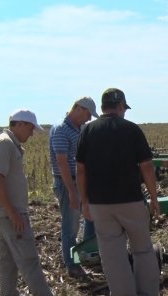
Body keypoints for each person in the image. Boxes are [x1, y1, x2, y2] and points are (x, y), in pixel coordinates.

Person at [76, 88, 160, 296]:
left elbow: (81, 170)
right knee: (142, 249)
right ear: (121, 106)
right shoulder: (132, 130)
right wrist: (153, 198)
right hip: (131, 201)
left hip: (100, 205)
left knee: (113, 255)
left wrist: (84, 202)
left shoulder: (87, 131)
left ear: (103, 107)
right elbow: (147, 167)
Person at [0, 109, 69, 296]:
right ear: (20, 124)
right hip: (9, 213)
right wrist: (12, 211)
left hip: (1, 211)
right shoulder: (5, 143)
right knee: (28, 257)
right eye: (31, 128)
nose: (32, 133)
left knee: (7, 256)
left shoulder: (4, 142)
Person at [49, 96, 98, 278]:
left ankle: (88, 252)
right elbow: (62, 163)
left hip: (81, 180)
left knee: (90, 216)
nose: (89, 118)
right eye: (87, 114)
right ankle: (72, 265)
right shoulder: (61, 130)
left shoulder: (79, 129)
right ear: (78, 109)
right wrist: (72, 192)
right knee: (71, 225)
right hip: (67, 181)